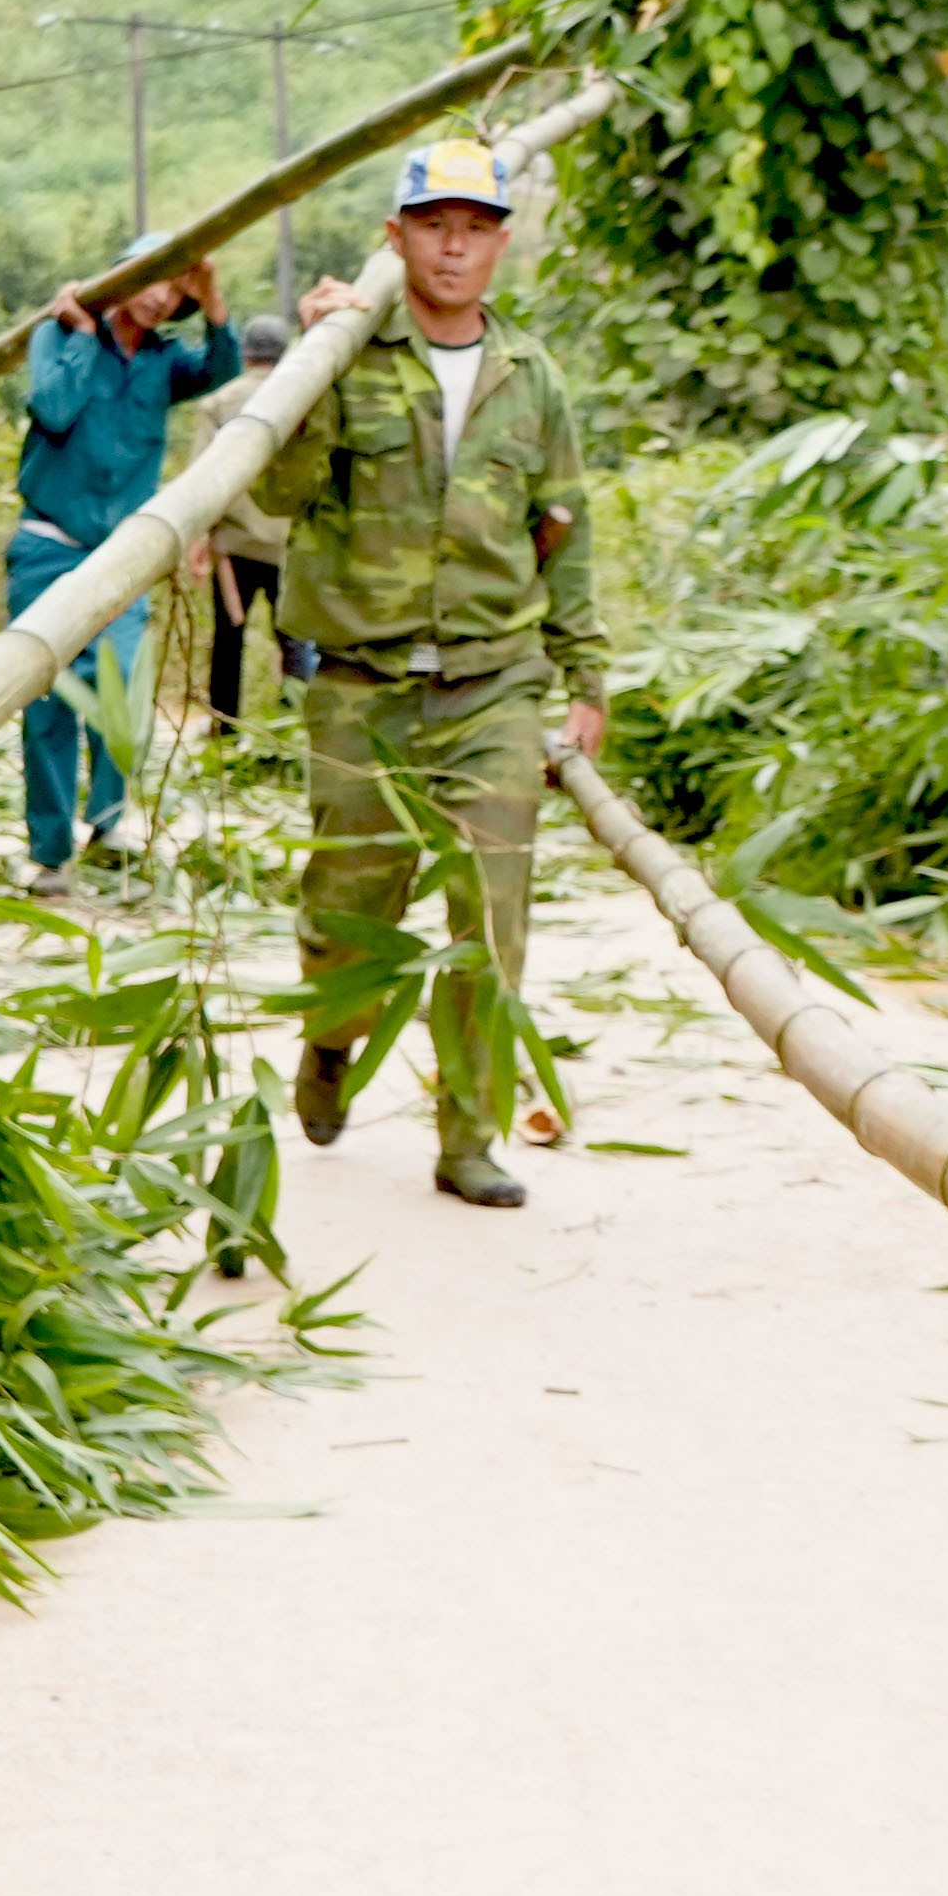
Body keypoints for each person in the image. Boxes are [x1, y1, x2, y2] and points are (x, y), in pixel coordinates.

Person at [253, 138, 602, 1208]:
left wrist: (584, 679)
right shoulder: (347, 354)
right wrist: (310, 364)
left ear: (500, 242)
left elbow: (565, 530)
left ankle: (468, 1137)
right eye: (434, 224)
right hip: (360, 687)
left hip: (492, 686)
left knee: (489, 921)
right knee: (349, 908)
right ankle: (331, 1038)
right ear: (396, 236)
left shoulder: (530, 377)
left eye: (475, 226)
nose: (454, 245)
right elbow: (278, 493)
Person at [3, 246, 243, 879]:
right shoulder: (56, 336)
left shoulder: (166, 361)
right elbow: (52, 410)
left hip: (122, 558)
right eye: (153, 282)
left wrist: (213, 291)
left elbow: (224, 367)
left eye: (176, 291)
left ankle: (109, 828)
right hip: (50, 546)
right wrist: (84, 337)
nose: (162, 298)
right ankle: (48, 852)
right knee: (49, 698)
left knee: (121, 688)